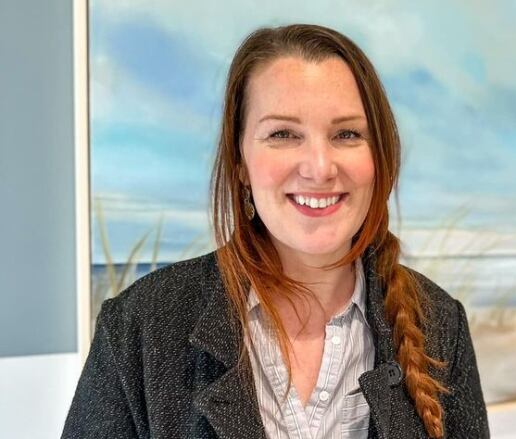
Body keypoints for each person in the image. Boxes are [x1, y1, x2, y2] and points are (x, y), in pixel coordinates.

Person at [62, 23, 488, 439]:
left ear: (380, 156)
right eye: (283, 134)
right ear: (241, 161)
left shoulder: (440, 325)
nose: (320, 167)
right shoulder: (141, 328)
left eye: (347, 134)